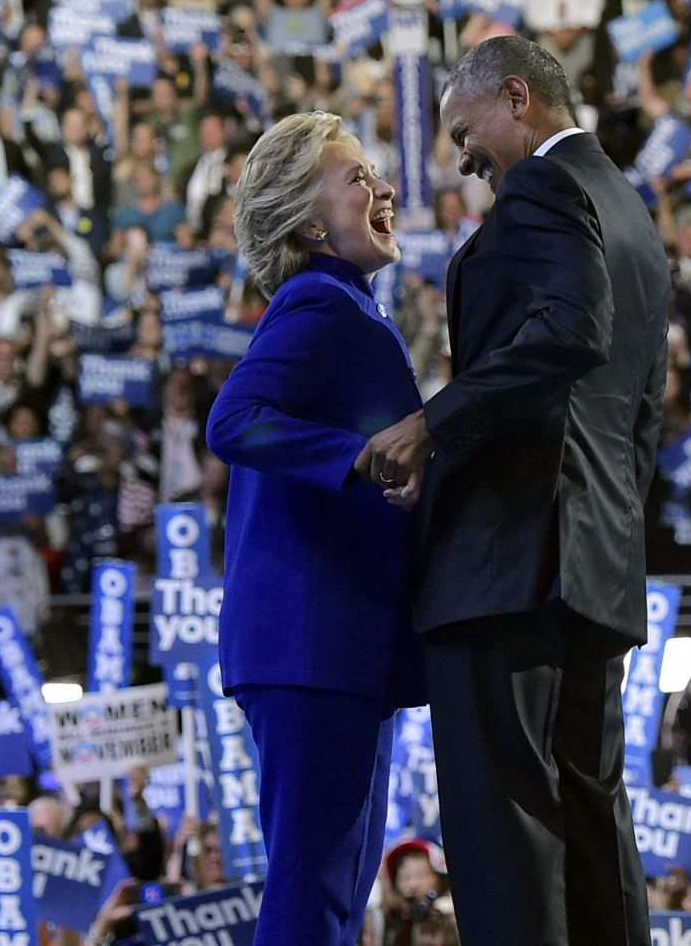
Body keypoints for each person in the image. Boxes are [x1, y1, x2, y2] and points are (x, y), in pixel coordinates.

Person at [355, 36, 669, 946]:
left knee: (507, 831)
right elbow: (643, 406)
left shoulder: (543, 184)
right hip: (592, 565)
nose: (462, 157)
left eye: (465, 130)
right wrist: (604, 528)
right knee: (591, 819)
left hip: (509, 569)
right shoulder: (633, 212)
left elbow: (568, 332)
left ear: (518, 98)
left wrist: (432, 426)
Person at [205, 111, 425, 946]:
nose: (384, 189)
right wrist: (362, 458)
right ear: (306, 220)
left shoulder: (350, 306)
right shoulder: (319, 302)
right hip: (309, 644)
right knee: (313, 899)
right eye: (357, 178)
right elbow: (232, 420)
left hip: (340, 647)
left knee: (333, 901)